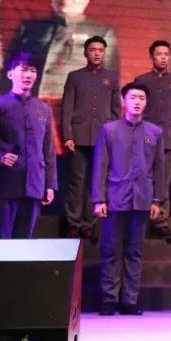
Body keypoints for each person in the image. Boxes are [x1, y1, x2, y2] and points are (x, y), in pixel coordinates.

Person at [91, 83, 166, 316]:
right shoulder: (109, 130)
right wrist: (98, 199)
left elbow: (159, 168)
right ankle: (109, 299)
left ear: (146, 102)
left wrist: (157, 200)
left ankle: (130, 299)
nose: (137, 102)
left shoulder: (155, 132)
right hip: (115, 199)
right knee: (111, 251)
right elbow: (100, 166)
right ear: (123, 101)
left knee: (134, 252)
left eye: (141, 98)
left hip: (142, 199)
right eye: (133, 97)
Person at [0, 52, 57, 239]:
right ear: (10, 74)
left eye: (33, 71)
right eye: (24, 69)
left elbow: (48, 151)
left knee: (23, 245)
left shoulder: (43, 109)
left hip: (33, 188)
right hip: (3, 186)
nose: (28, 75)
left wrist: (50, 184)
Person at [0, 0, 118, 97]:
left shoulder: (101, 33)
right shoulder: (30, 28)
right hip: (27, 100)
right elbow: (9, 71)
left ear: (86, 0)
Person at [61, 36, 121, 238]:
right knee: (77, 181)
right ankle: (73, 222)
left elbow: (116, 110)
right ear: (85, 52)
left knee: (96, 181)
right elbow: (67, 108)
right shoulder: (75, 77)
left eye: (100, 50)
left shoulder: (111, 77)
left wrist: (114, 136)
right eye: (93, 50)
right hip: (78, 137)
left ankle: (89, 223)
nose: (97, 53)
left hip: (103, 137)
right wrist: (68, 135)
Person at [134, 40, 171, 243]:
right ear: (151, 56)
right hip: (145, 137)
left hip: (169, 136)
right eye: (159, 54)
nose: (163, 58)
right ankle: (142, 218)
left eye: (166, 54)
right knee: (144, 176)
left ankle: (161, 222)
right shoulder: (142, 80)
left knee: (164, 178)